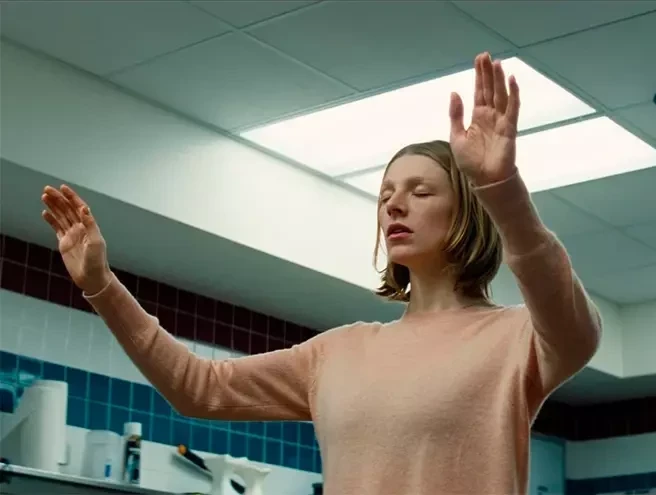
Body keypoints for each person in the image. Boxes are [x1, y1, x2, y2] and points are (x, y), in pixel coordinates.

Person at [40, 52, 602, 495]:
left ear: (467, 213)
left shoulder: (515, 339)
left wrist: (500, 188)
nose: (394, 204)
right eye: (386, 194)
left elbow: (575, 325)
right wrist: (102, 286)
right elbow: (197, 387)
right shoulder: (337, 353)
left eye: (420, 191)